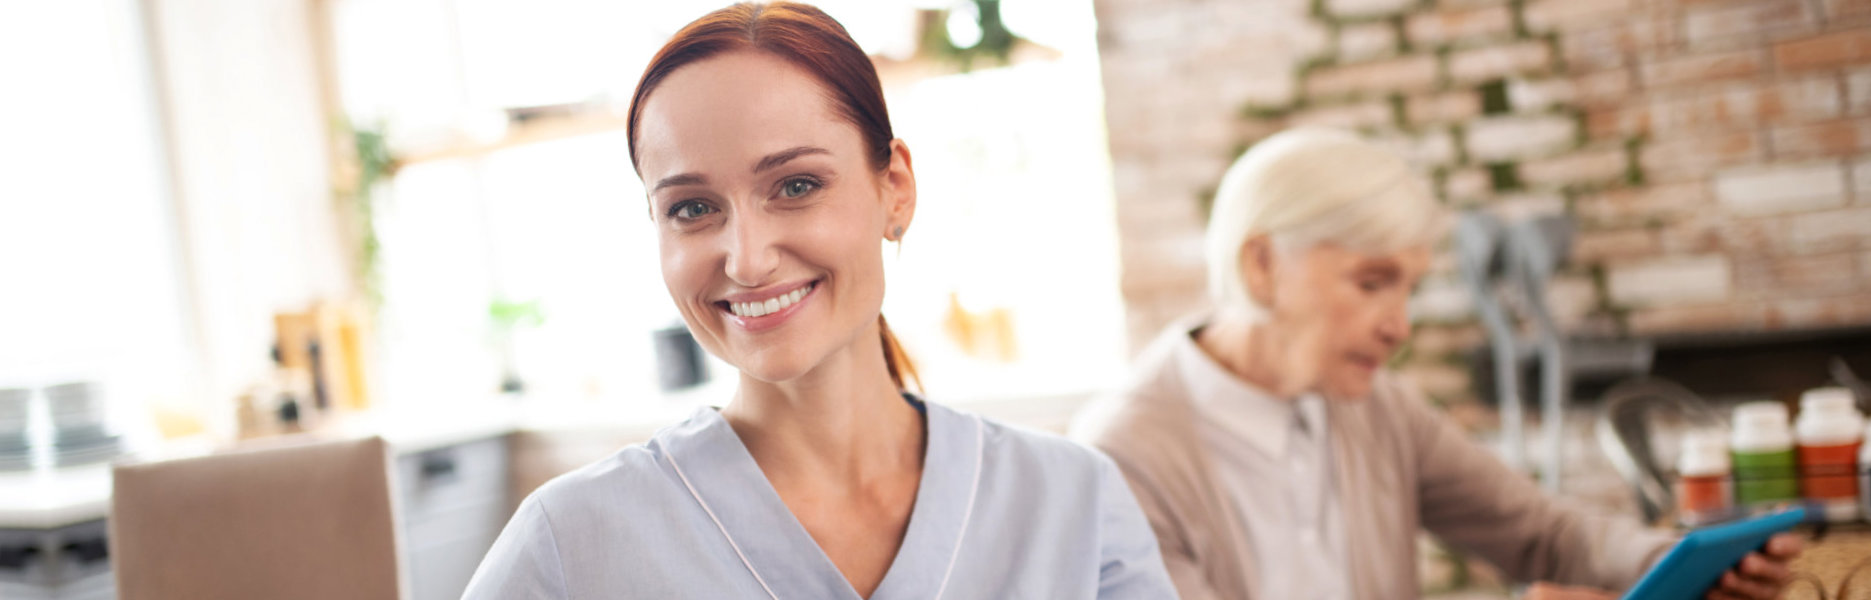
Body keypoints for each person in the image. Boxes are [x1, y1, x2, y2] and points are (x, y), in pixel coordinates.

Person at [461, 3, 1176, 599]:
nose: (746, 258)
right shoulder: (572, 543)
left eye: (796, 186)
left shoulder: (1073, 508)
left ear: (894, 187)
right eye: (693, 208)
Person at [1071, 128, 1802, 600]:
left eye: (1409, 287)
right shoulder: (1122, 455)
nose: (1401, 325)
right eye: (1371, 282)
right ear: (1261, 265)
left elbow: (1542, 532)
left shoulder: (1376, 407)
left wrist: (1683, 565)